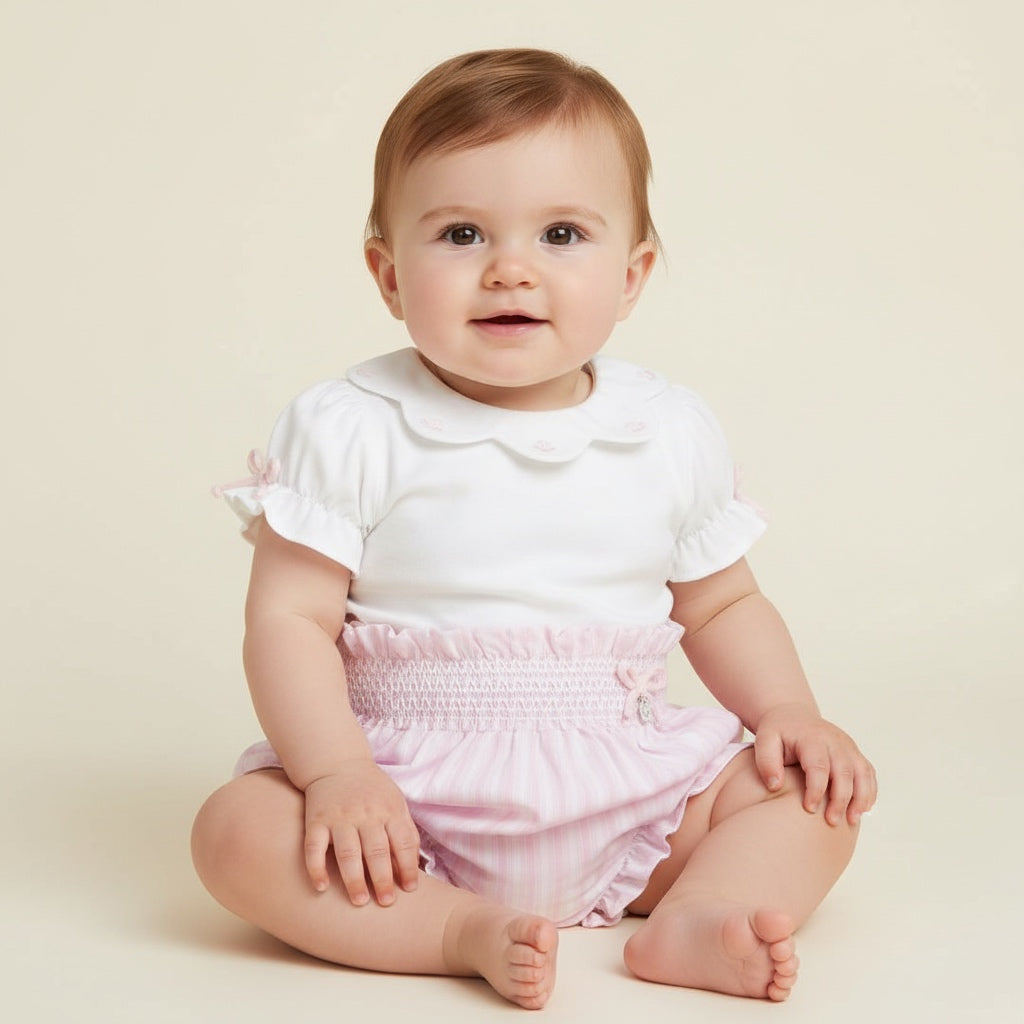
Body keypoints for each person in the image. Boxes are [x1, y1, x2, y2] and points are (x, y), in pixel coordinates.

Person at [191, 48, 877, 1010]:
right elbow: (290, 621)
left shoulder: (667, 429)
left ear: (633, 274)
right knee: (235, 832)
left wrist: (789, 715)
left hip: (632, 784)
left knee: (811, 799)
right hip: (405, 797)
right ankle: (449, 927)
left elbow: (723, 601)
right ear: (389, 275)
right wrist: (339, 772)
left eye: (561, 233)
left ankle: (700, 913)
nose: (510, 269)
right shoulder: (349, 426)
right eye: (462, 233)